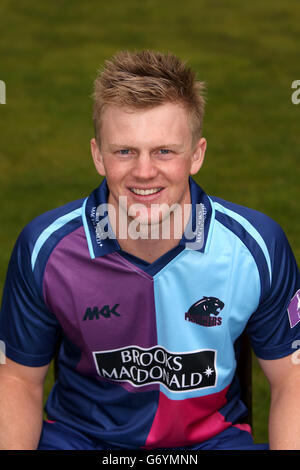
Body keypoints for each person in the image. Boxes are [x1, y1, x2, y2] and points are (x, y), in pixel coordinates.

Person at [0, 50, 300, 451]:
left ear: (197, 154)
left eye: (164, 151)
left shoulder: (256, 245)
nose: (143, 171)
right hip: (81, 441)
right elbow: (18, 380)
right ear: (97, 155)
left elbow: (291, 379)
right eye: (125, 151)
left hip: (210, 445)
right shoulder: (45, 248)